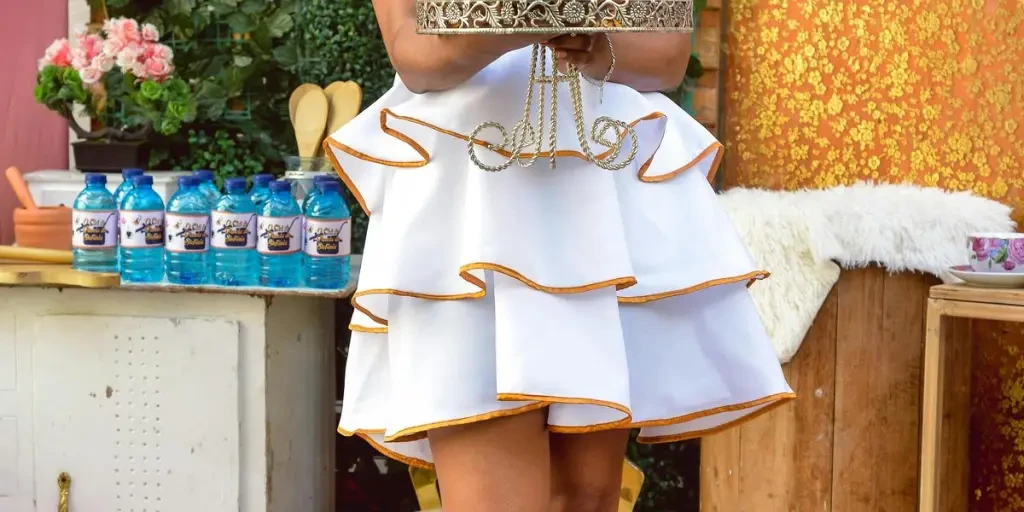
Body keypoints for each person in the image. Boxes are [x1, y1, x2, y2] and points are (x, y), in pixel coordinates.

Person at [328, 1, 794, 510]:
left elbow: (667, 53)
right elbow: (414, 51)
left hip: (593, 185)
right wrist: (523, 26)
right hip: (466, 203)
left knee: (585, 497)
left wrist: (595, 44)